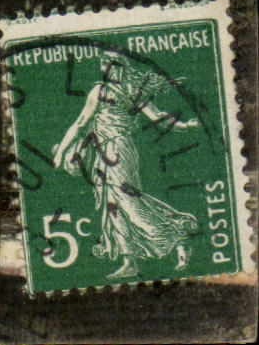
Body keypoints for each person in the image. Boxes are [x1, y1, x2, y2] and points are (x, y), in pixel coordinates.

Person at [51, 50, 199, 278]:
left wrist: (183, 125)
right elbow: (81, 123)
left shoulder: (133, 92)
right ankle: (130, 261)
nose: (109, 69)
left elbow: (157, 115)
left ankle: (177, 236)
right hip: (102, 153)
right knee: (113, 207)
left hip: (120, 151)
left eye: (113, 64)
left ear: (122, 67)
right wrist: (60, 152)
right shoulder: (98, 91)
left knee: (129, 203)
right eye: (104, 64)